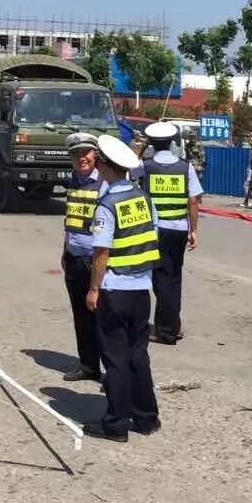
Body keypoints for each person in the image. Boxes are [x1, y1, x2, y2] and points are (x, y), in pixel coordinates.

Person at [83, 134, 160, 442]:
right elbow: (152, 235)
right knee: (138, 355)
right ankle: (146, 418)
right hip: (141, 288)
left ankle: (116, 424)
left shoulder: (107, 205)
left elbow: (101, 252)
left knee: (115, 358)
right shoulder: (143, 198)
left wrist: (93, 289)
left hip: (114, 289)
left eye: (98, 163)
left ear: (105, 167)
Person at [137, 120, 202, 347]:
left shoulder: (145, 166)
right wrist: (194, 230)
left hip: (155, 231)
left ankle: (167, 331)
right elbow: (193, 201)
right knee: (173, 278)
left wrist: (140, 148)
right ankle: (172, 324)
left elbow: (126, 170)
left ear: (152, 144)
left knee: (160, 279)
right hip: (179, 230)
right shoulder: (185, 167)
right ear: (173, 143)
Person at [61, 132, 105, 383]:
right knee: (81, 316)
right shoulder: (74, 181)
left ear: (95, 154)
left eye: (85, 153)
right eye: (76, 154)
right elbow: (71, 220)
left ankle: (113, 373)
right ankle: (89, 366)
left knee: (103, 318)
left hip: (96, 260)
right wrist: (64, 250)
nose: (81, 158)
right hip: (74, 258)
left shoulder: (105, 184)